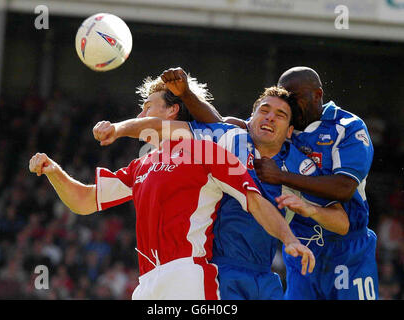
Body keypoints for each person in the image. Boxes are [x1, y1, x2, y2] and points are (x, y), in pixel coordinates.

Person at [29, 73, 315, 300]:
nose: (141, 114)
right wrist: (54, 172)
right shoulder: (140, 165)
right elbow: (84, 201)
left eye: (148, 106)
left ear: (171, 111)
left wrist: (289, 239)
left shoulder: (207, 151)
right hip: (147, 283)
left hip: (187, 276)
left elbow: (255, 201)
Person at [93, 74, 348, 299]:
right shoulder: (228, 138)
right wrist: (118, 129)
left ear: (290, 130)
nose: (270, 118)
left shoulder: (300, 168)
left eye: (280, 115)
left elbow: (341, 222)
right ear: (251, 118)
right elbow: (161, 127)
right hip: (220, 272)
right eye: (264, 110)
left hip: (265, 274)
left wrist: (309, 208)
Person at [156, 67, 378, 300]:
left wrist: (281, 176)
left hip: (347, 247)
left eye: (295, 99)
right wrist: (187, 94)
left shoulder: (347, 127)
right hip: (301, 243)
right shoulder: (283, 124)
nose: (288, 106)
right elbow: (222, 124)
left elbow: (344, 188)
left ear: (317, 94)